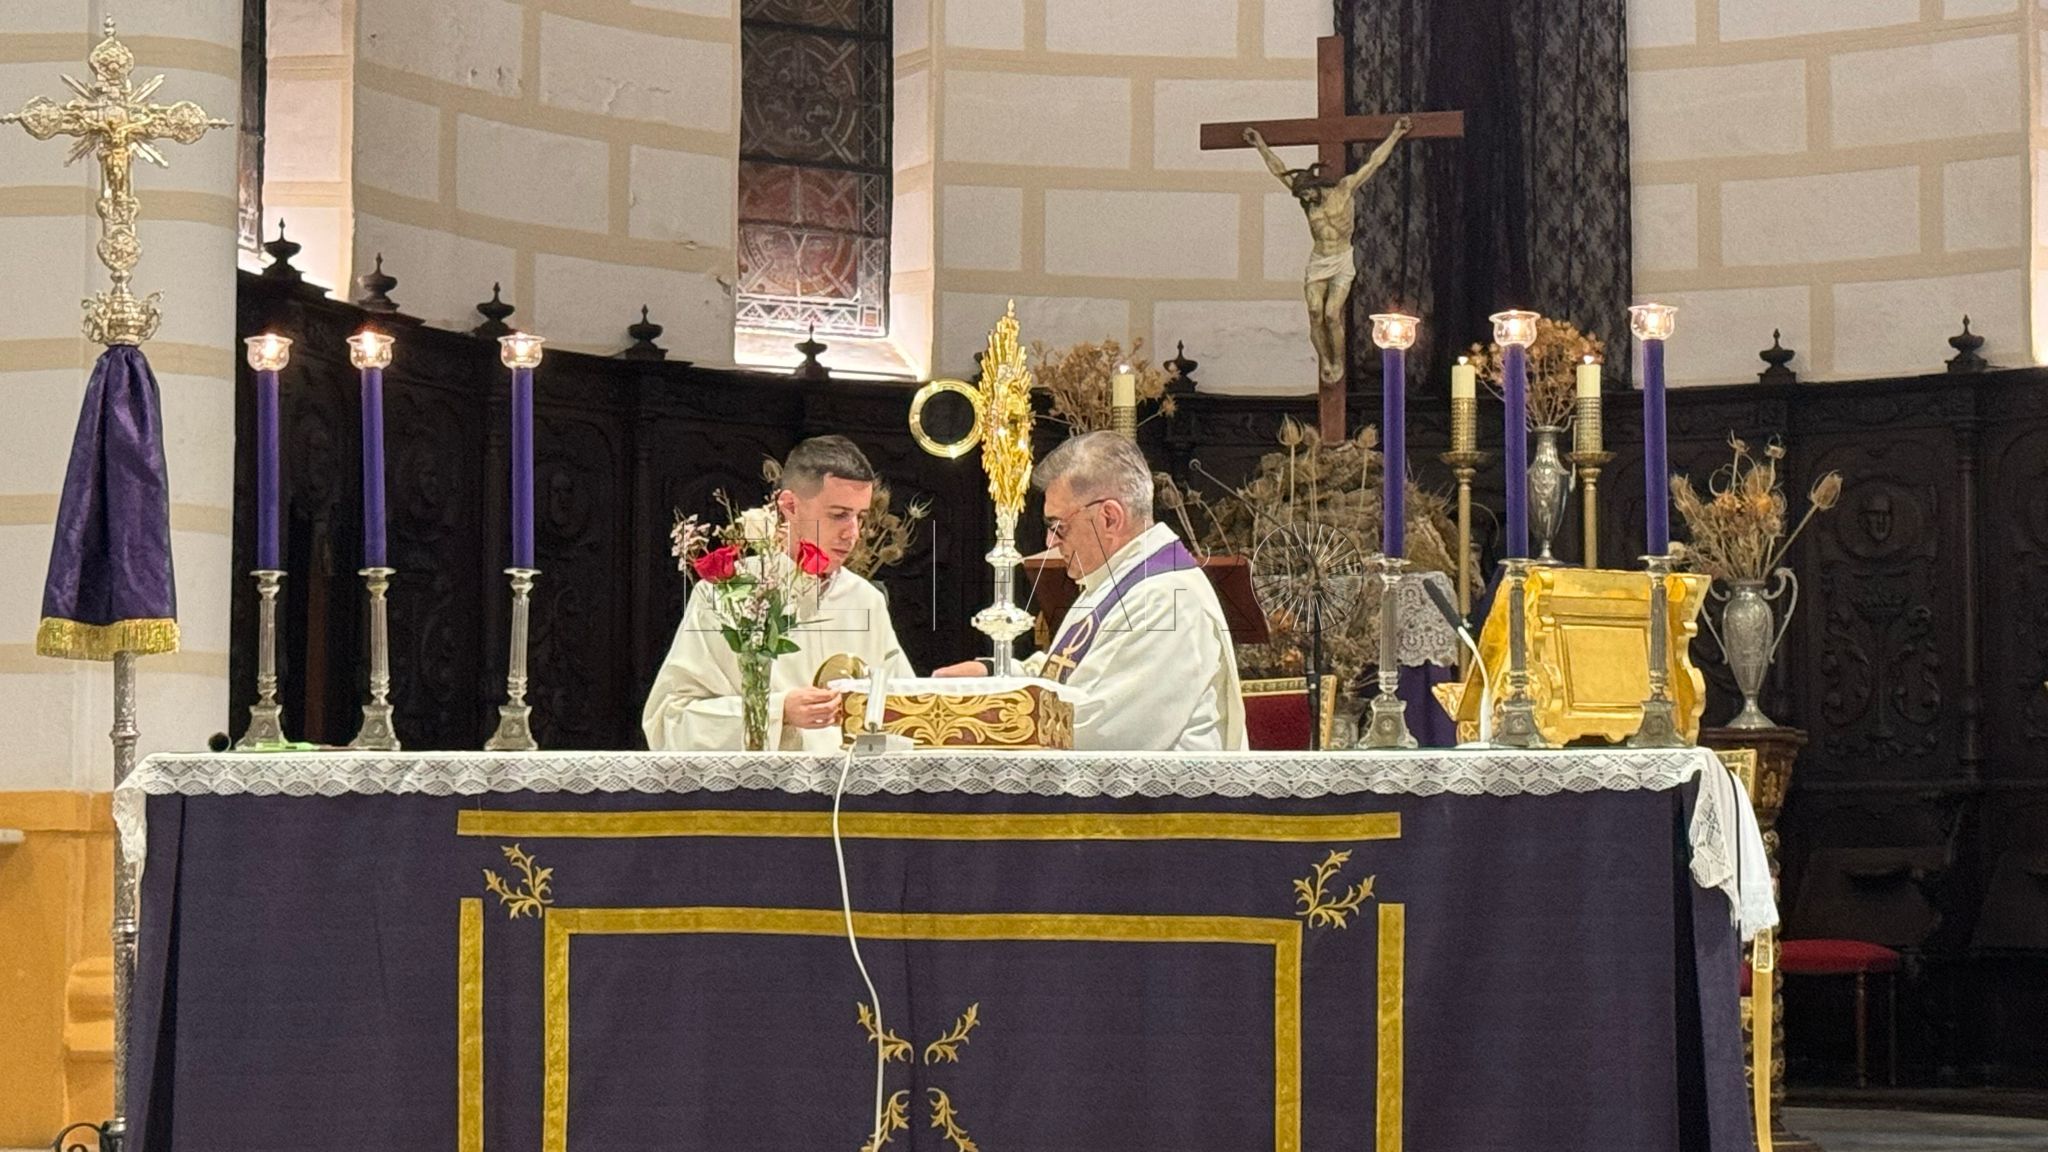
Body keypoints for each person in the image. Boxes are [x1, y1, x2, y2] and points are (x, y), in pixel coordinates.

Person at [936, 431, 1246, 751]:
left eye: (1059, 526)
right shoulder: (1115, 581)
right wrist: (996, 674)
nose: (1050, 542)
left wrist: (983, 718)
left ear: (1109, 518)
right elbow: (1070, 675)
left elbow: (1105, 731)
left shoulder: (1169, 598)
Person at [642, 435, 914, 751]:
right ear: (789, 506)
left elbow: (904, 710)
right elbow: (669, 720)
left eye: (861, 517)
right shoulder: (727, 593)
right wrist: (778, 711)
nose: (852, 533)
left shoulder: (866, 601)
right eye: (839, 514)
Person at [1245, 116, 1412, 387]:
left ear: (1314, 186)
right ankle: (1325, 360)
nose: (1305, 200)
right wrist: (1260, 145)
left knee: (1332, 314)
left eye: (1307, 194)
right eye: (1301, 197)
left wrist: (1395, 134)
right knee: (1314, 312)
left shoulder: (1343, 190)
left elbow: (1374, 163)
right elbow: (1279, 170)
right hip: (1319, 260)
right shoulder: (1307, 202)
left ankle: (1338, 361)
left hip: (1342, 260)